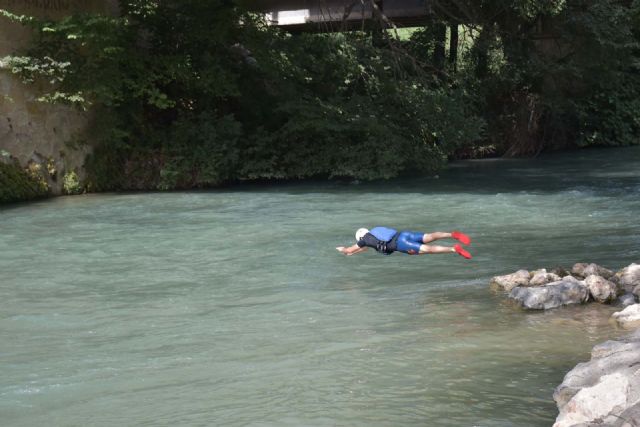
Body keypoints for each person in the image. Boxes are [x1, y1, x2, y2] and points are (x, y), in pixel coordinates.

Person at [336, 227, 472, 258]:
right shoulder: (375, 232)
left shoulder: (364, 240)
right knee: (430, 236)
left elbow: (349, 250)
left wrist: (342, 249)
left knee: (427, 249)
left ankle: (454, 249)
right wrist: (355, 253)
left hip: (401, 245)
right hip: (404, 234)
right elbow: (366, 248)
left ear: (360, 238)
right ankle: (452, 234)